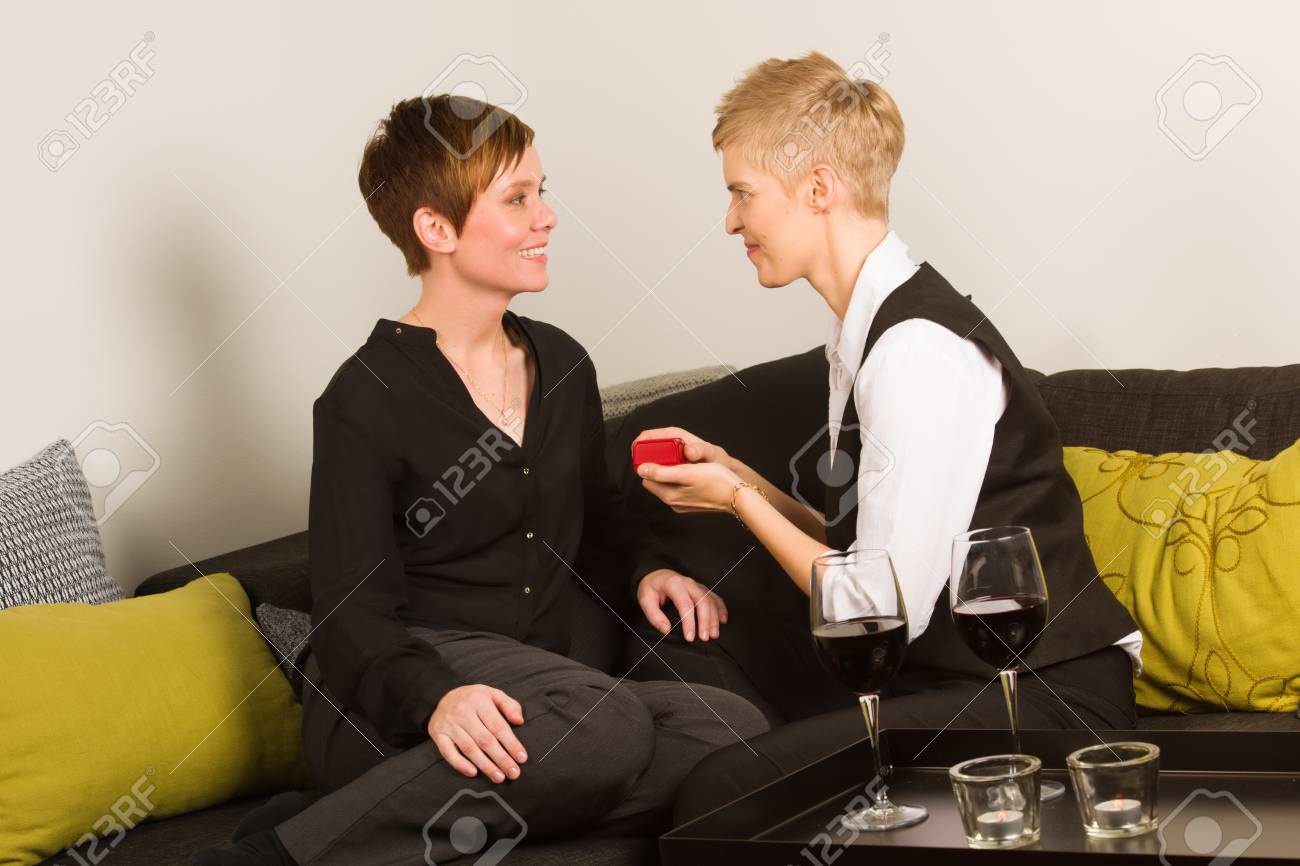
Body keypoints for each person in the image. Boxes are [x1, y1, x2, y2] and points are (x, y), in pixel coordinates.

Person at [194, 94, 767, 866]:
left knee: (729, 733)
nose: (547, 217)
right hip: (400, 699)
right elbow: (351, 612)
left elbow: (599, 518)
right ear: (437, 229)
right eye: (518, 199)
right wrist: (436, 696)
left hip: (553, 702)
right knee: (605, 728)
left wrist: (647, 568)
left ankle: (379, 824)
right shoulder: (364, 398)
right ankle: (280, 856)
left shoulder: (562, 364)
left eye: (541, 192)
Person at [625, 51, 1143, 824]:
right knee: (705, 673)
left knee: (721, 795)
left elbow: (879, 606)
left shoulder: (914, 354)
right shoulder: (866, 337)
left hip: (1039, 695)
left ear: (818, 188)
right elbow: (867, 558)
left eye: (742, 193)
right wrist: (742, 478)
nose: (731, 221)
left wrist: (736, 498)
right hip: (955, 681)